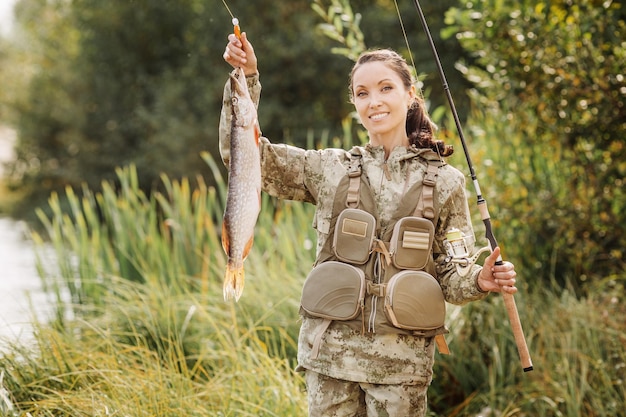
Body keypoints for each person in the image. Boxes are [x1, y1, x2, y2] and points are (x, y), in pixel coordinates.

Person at [221, 31, 518, 417]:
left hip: (402, 370)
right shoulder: (329, 168)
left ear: (410, 94)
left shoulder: (447, 183)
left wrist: (481, 280)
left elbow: (451, 275)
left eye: (385, 88)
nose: (373, 101)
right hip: (328, 361)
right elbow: (242, 156)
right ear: (354, 103)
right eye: (362, 93)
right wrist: (248, 78)